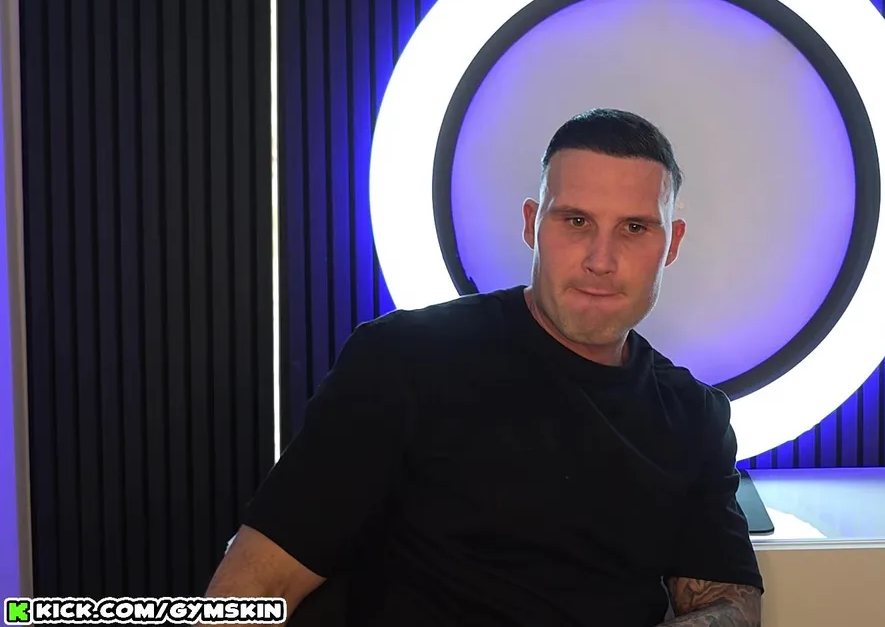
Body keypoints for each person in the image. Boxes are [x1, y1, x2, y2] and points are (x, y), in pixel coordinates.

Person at [204, 108, 763, 626]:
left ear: (671, 243)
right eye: (575, 221)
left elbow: (729, 604)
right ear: (532, 224)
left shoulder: (694, 416)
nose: (601, 259)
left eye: (634, 228)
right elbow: (255, 587)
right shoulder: (406, 359)